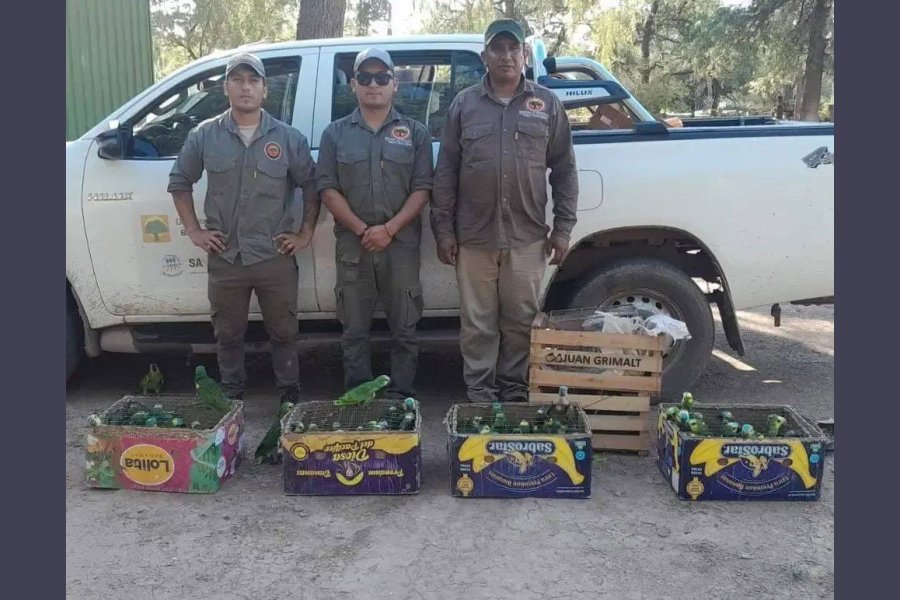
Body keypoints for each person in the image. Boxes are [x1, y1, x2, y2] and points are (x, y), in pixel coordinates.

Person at [431, 19, 579, 403]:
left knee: (520, 322)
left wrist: (562, 229)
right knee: (478, 324)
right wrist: (444, 231)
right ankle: (480, 393)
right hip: (474, 237)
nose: (506, 56)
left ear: (524, 55)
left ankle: (513, 393)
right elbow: (446, 170)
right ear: (485, 57)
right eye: (498, 49)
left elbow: (564, 169)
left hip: (528, 237)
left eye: (513, 48)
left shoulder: (546, 103)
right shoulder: (463, 104)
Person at [168, 52, 319, 406]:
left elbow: (313, 187)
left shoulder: (288, 138)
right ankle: (232, 400)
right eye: (237, 80)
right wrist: (194, 231)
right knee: (228, 334)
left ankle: (288, 399)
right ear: (226, 87)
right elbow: (179, 182)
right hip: (227, 257)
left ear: (265, 89)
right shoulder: (204, 136)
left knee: (283, 333)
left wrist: (304, 234)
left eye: (253, 81)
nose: (245, 87)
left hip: (274, 256)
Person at [316, 48, 434, 398]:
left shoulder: (416, 132)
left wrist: (389, 229)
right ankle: (360, 398)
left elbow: (423, 188)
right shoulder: (334, 134)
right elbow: (327, 188)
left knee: (405, 328)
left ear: (394, 85)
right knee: (354, 329)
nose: (373, 85)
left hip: (401, 245)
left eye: (382, 78)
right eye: (365, 78)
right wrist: (362, 229)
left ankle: (401, 396)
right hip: (354, 245)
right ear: (353, 84)